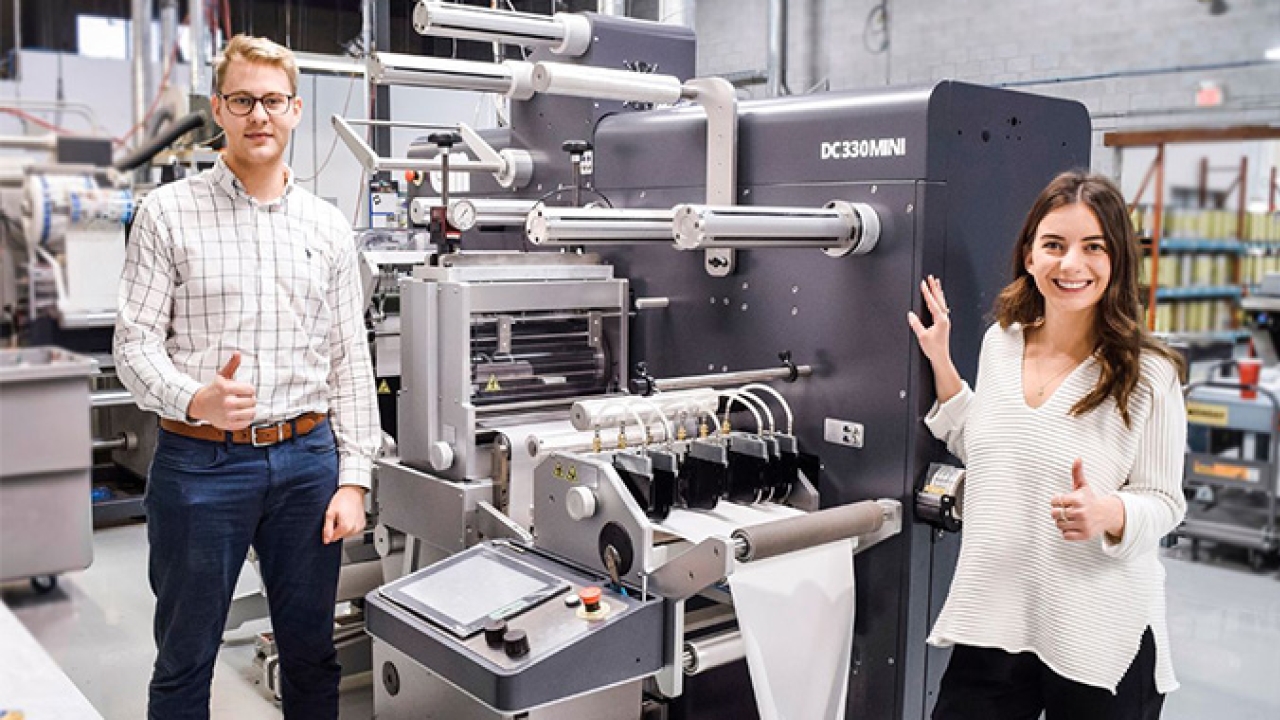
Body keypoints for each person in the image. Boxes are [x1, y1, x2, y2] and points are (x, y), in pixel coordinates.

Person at [114, 34, 380, 720]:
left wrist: (354, 478)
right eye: (242, 100)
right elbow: (134, 344)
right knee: (184, 656)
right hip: (201, 465)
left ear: (295, 110)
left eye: (272, 101)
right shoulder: (167, 213)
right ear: (218, 110)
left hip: (308, 463)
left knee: (312, 654)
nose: (258, 115)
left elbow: (351, 358)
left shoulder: (326, 227)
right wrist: (193, 399)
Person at [907, 170, 1186, 720]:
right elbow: (989, 449)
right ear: (1030, 256)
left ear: (1117, 262)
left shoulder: (1149, 375)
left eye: (1093, 248)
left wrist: (1108, 512)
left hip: (1100, 633)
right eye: (1054, 245)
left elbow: (1165, 502)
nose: (1071, 265)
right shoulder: (1001, 343)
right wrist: (941, 359)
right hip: (998, 614)